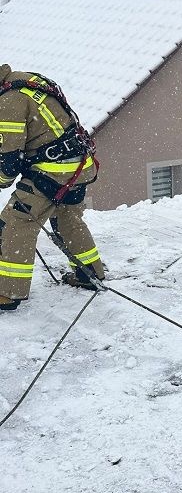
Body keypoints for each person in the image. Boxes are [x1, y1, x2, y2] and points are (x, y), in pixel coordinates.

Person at [0, 64, 104, 311]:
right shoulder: (25, 81)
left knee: (16, 223)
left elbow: (9, 159)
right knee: (67, 219)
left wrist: (2, 181)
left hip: (53, 171)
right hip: (79, 164)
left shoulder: (8, 102)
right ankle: (89, 273)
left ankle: (8, 293)